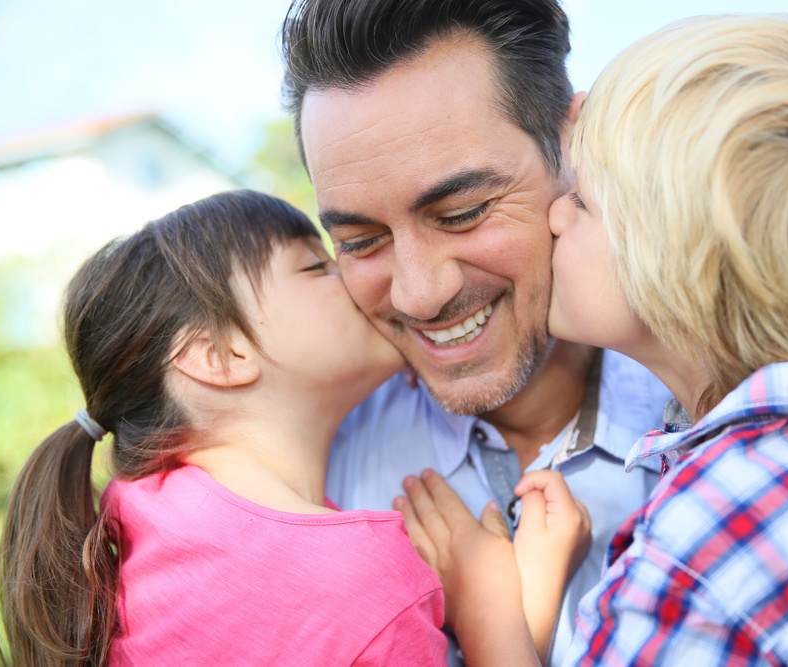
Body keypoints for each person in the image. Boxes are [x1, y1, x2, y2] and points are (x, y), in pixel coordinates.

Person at [399, 13, 788, 666]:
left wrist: (495, 612)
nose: (555, 213)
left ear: (684, 262)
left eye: (582, 201)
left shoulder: (704, 547)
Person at [280, 2, 674, 663]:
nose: (419, 292)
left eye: (461, 213)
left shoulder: (740, 410)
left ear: (574, 143)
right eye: (360, 240)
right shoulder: (315, 470)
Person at [0, 190, 448, 666]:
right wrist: (497, 619)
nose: (355, 274)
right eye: (317, 267)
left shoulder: (145, 512)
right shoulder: (363, 584)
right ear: (220, 356)